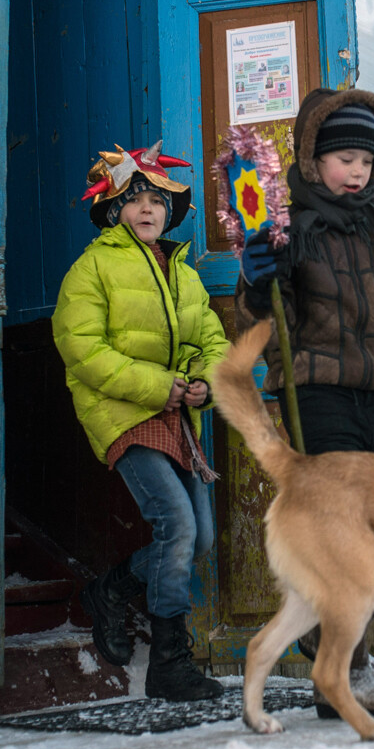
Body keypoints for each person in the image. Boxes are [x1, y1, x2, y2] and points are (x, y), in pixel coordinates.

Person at [235, 87, 374, 720]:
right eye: (345, 157)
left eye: (367, 162)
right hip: (315, 392)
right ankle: (345, 668)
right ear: (313, 157)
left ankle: (350, 652)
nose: (357, 172)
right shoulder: (288, 227)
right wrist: (259, 278)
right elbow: (269, 320)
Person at [53, 141, 229, 702]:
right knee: (176, 524)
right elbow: (81, 348)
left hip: (179, 417)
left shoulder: (185, 275)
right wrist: (159, 386)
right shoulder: (93, 267)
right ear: (113, 211)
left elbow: (213, 342)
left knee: (198, 538)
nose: (147, 207)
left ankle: (109, 591)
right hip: (127, 414)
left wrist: (204, 382)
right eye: (134, 199)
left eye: (156, 198)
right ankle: (170, 663)